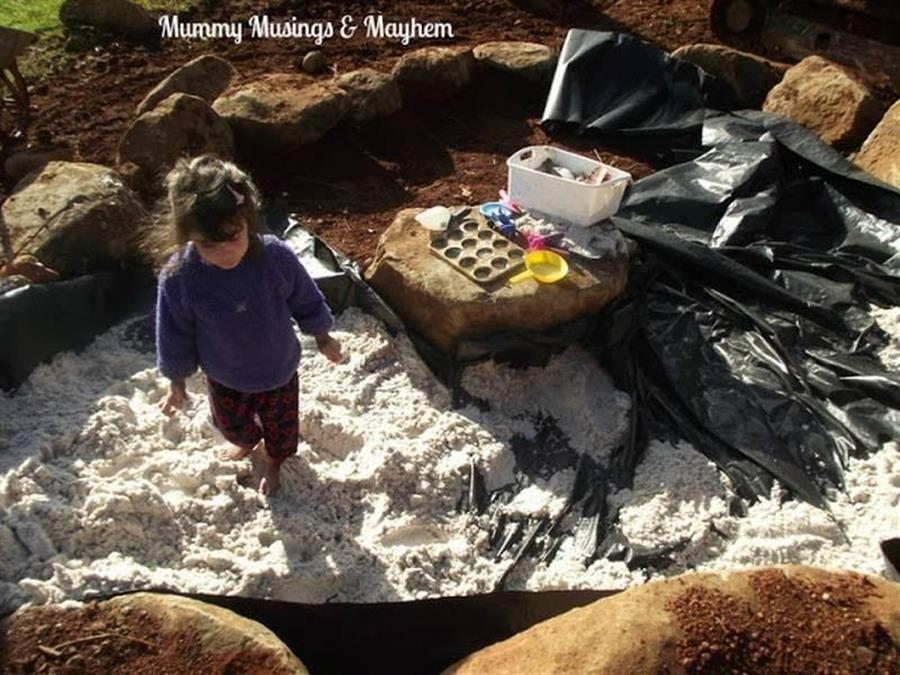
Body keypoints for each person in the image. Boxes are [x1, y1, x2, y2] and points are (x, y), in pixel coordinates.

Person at [155, 155, 343, 495]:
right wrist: (176, 381)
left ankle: (273, 461)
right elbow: (173, 332)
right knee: (232, 426)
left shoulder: (274, 257)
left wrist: (322, 335)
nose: (226, 251)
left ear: (248, 219)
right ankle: (245, 442)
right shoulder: (180, 277)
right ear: (187, 237)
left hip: (278, 371)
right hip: (224, 375)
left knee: (282, 431)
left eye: (234, 235)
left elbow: (305, 298)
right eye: (209, 244)